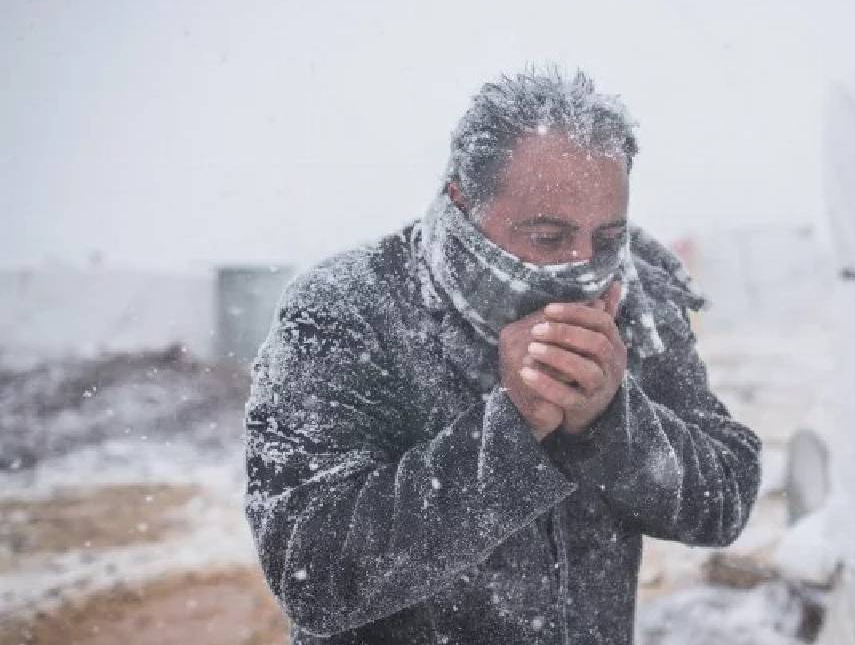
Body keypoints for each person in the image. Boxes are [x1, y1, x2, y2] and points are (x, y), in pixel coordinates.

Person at [243, 68, 763, 645]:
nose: (582, 264)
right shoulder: (349, 308)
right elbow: (311, 571)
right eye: (546, 237)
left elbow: (724, 498)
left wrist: (610, 423)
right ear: (463, 201)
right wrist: (514, 429)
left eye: (608, 236)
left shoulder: (639, 293)